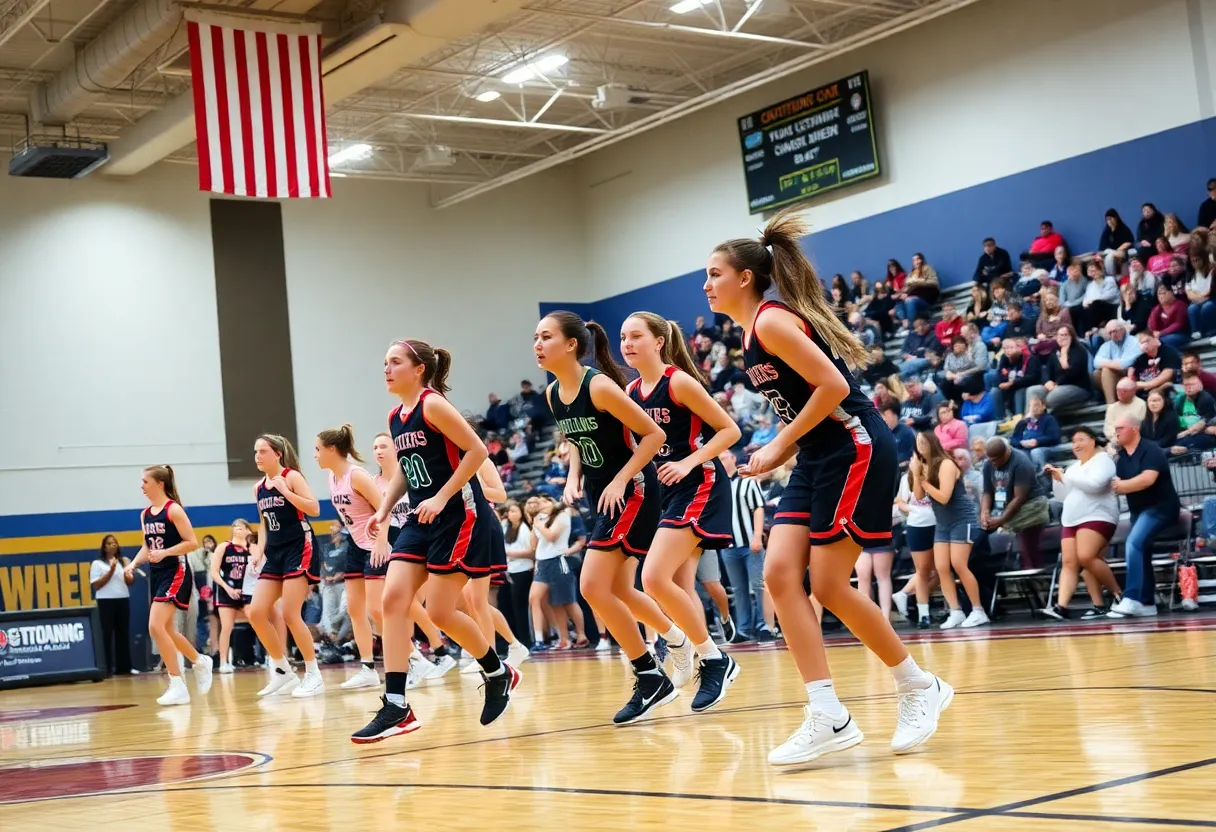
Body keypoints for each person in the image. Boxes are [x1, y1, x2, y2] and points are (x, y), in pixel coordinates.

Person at [704, 208, 950, 766]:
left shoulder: (770, 321)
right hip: (817, 454)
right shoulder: (753, 332)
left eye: (715, 273)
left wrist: (775, 443)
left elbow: (834, 387)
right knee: (780, 574)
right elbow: (808, 408)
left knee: (830, 584)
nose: (706, 284)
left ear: (745, 277)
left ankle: (918, 687)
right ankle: (828, 714)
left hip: (857, 447)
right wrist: (780, 453)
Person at [353, 340, 521, 743]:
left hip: (459, 514)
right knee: (393, 600)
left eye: (395, 362)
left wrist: (443, 495)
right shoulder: (396, 416)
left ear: (419, 370)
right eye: (384, 363)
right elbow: (405, 472)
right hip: (419, 516)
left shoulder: (432, 405)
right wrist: (384, 508)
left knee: (443, 612)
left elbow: (477, 450)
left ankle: (497, 671)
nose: (387, 369)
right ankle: (396, 704)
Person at [536, 311, 682, 724]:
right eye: (536, 337)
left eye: (546, 337)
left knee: (592, 586)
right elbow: (579, 438)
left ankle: (649, 675)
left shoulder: (598, 386)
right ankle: (680, 641)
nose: (537, 344)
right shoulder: (552, 394)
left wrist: (619, 480)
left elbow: (655, 436)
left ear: (570, 345)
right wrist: (573, 474)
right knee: (618, 589)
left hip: (634, 487)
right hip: (604, 492)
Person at [622, 312, 744, 710]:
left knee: (653, 578)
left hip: (701, 482)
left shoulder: (678, 382)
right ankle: (693, 654)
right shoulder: (632, 390)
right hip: (668, 492)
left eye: (636, 335)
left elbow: (730, 430)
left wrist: (689, 462)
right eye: (623, 337)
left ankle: (714, 659)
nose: (627, 343)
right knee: (678, 584)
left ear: (659, 341)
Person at [124, 466, 213, 705]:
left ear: (159, 484)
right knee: (167, 630)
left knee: (155, 626)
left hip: (177, 571)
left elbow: (192, 542)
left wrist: (165, 552)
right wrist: (133, 563)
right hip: (158, 573)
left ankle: (178, 683)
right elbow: (148, 546)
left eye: (145, 481)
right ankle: (199, 661)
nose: (141, 486)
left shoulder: (173, 509)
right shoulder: (145, 514)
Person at [246, 435, 324, 699]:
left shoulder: (291, 477)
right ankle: (282, 670)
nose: (257, 455)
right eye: (255, 451)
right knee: (256, 612)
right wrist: (259, 549)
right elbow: (264, 522)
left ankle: (313, 673)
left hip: (299, 546)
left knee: (291, 613)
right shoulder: (259, 488)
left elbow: (314, 509)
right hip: (275, 552)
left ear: (277, 453)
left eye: (263, 451)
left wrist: (286, 492)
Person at [315, 424, 386, 691]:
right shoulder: (332, 477)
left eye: (318, 449)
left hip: (376, 544)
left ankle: (410, 660)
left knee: (378, 609)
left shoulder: (357, 475)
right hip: (356, 545)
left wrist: (381, 542)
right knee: (355, 609)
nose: (315, 455)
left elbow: (384, 508)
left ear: (332, 450)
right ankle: (368, 668)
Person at [1042, 428, 1123, 620]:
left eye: (1080, 440)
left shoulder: (1103, 460)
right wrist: (1057, 480)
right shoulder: (1074, 467)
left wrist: (1066, 476)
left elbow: (1094, 485)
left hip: (1097, 515)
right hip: (1071, 519)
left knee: (1087, 556)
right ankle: (1062, 607)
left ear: (1093, 441)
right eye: (1073, 441)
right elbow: (1063, 496)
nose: (1076, 445)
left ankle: (1120, 596)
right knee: (1070, 563)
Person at [911, 431, 986, 629]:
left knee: (959, 565)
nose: (920, 445)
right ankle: (956, 611)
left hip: (963, 519)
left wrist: (924, 481)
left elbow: (944, 497)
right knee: (942, 568)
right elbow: (918, 497)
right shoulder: (924, 467)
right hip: (943, 523)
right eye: (917, 442)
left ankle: (978, 611)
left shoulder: (946, 464)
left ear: (932, 442)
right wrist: (916, 473)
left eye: (923, 441)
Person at [1110, 416, 1182, 618]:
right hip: (1138, 511)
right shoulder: (1121, 458)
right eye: (1115, 428)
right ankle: (1147, 603)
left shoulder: (1152, 450)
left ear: (1134, 428)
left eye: (1120, 428)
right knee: (1142, 550)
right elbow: (1114, 482)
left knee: (1133, 543)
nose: (1117, 432)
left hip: (1161, 508)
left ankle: (1131, 597)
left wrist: (1121, 486)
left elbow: (1147, 480)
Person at [718, 449, 770, 641]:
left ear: (733, 458)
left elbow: (758, 508)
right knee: (739, 589)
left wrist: (757, 536)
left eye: (724, 458)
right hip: (729, 546)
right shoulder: (719, 485)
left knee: (759, 586)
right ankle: (743, 628)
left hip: (750, 543)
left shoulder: (747, 481)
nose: (721, 462)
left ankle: (765, 626)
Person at [979, 438, 1051, 569]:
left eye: (996, 460)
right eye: (991, 459)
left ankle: (1035, 579)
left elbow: (1020, 498)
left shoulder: (1021, 462)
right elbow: (987, 492)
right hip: (1005, 508)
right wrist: (984, 512)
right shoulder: (989, 464)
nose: (993, 463)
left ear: (1006, 453)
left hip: (1031, 507)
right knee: (978, 535)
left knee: (1027, 543)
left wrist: (1001, 520)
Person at [892, 471, 937, 629]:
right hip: (917, 524)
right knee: (923, 571)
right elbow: (899, 500)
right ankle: (923, 614)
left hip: (939, 524)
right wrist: (908, 508)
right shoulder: (906, 477)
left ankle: (904, 594)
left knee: (942, 569)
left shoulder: (939, 471)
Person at [209, 519, 253, 673]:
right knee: (227, 627)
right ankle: (223, 662)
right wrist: (227, 588)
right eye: (235, 526)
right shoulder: (223, 547)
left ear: (249, 531)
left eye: (243, 526)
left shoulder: (252, 549)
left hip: (247, 591)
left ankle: (272, 658)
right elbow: (214, 572)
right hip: (227, 590)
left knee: (258, 620)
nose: (239, 528)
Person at [91, 534, 134, 676]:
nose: (112, 546)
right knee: (106, 634)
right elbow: (97, 585)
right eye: (109, 543)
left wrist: (129, 575)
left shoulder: (124, 561)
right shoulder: (97, 564)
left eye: (115, 543)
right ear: (104, 547)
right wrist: (111, 570)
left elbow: (129, 582)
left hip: (122, 598)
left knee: (123, 633)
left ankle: (124, 667)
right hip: (105, 601)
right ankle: (107, 668)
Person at [1026, 325, 1094, 414]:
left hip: (1078, 387)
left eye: (1065, 335)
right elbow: (1046, 371)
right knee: (1033, 391)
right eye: (1059, 335)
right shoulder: (1055, 351)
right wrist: (1047, 382)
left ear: (1071, 336)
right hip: (1057, 387)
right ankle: (1029, 420)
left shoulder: (1079, 350)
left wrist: (1064, 355)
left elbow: (1072, 375)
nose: (1062, 338)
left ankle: (1042, 420)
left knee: (1051, 398)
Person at [1010, 395, 1061, 469]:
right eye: (1031, 406)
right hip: (1025, 449)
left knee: (1035, 452)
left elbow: (1053, 437)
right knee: (1015, 453)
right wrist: (1021, 443)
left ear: (1043, 406)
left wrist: (1037, 441)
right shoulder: (1023, 422)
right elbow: (1013, 440)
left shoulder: (1049, 419)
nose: (1034, 408)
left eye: (1036, 405)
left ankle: (1041, 476)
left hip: (1045, 448)